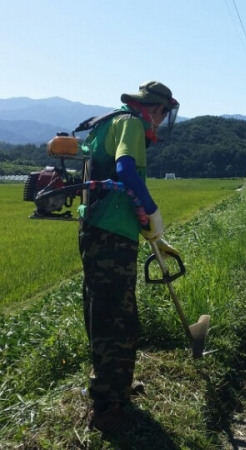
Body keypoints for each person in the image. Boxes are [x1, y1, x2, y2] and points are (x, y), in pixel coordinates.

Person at [78, 81, 180, 434]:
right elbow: (125, 171)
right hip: (112, 234)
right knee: (116, 319)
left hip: (98, 228)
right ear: (155, 108)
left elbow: (114, 185)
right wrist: (152, 210)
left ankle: (115, 388)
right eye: (164, 113)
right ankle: (108, 409)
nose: (161, 120)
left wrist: (151, 230)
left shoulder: (109, 120)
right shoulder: (133, 123)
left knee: (101, 311)